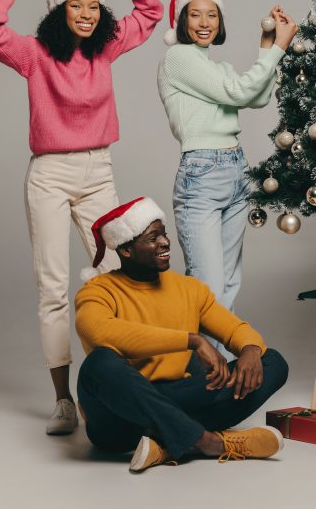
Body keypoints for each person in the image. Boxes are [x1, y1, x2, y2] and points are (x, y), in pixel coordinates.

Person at [0, 0, 163, 434]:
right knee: (53, 286)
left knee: (124, 273)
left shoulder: (106, 50)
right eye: (76, 5)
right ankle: (63, 401)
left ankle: (135, 382)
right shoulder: (34, 54)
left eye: (94, 6)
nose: (87, 14)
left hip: (99, 170)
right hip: (50, 174)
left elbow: (151, 10)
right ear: (59, 11)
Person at [74, 197, 288, 472]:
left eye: (164, 233)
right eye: (153, 237)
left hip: (178, 395)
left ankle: (168, 442)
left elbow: (234, 328)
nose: (165, 242)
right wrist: (192, 340)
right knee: (98, 364)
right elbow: (100, 331)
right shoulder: (98, 290)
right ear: (126, 249)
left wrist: (250, 350)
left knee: (273, 362)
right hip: (119, 417)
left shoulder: (188, 289)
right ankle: (208, 441)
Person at [157, 0, 297, 352]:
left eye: (212, 14)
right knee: (208, 288)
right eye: (195, 13)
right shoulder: (179, 58)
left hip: (236, 170)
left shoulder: (214, 66)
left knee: (229, 283)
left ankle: (225, 374)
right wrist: (280, 47)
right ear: (181, 21)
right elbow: (240, 92)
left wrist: (267, 44)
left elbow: (257, 95)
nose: (204, 22)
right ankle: (206, 379)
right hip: (201, 175)